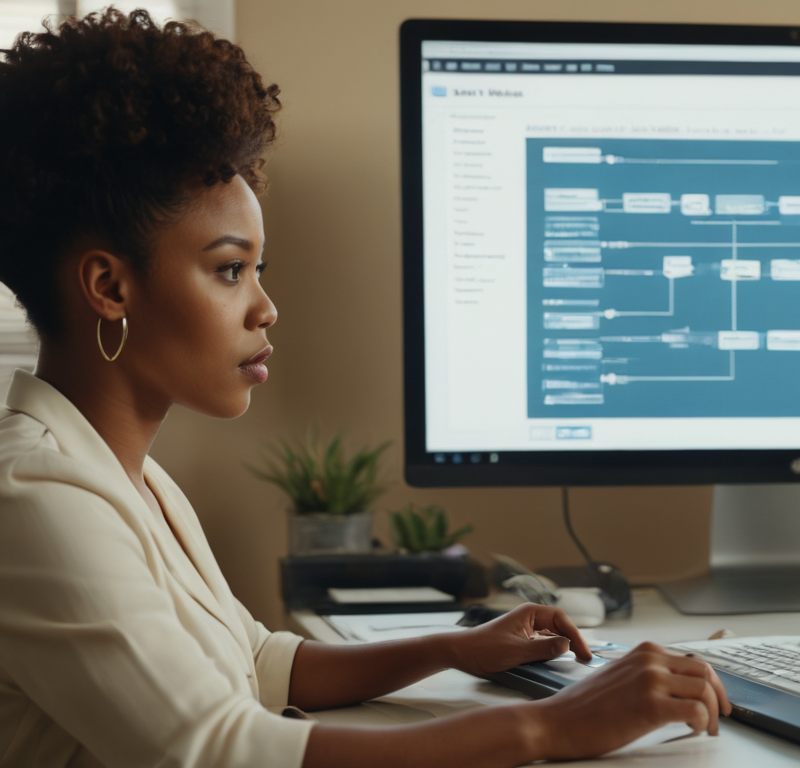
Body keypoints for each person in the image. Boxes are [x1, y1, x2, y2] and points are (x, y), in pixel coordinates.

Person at [0, 10, 728, 768]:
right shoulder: (35, 496)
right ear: (109, 286)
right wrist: (552, 728)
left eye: (260, 270)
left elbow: (257, 664)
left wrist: (455, 647)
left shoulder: (129, 477)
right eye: (228, 269)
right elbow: (219, 749)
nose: (264, 307)